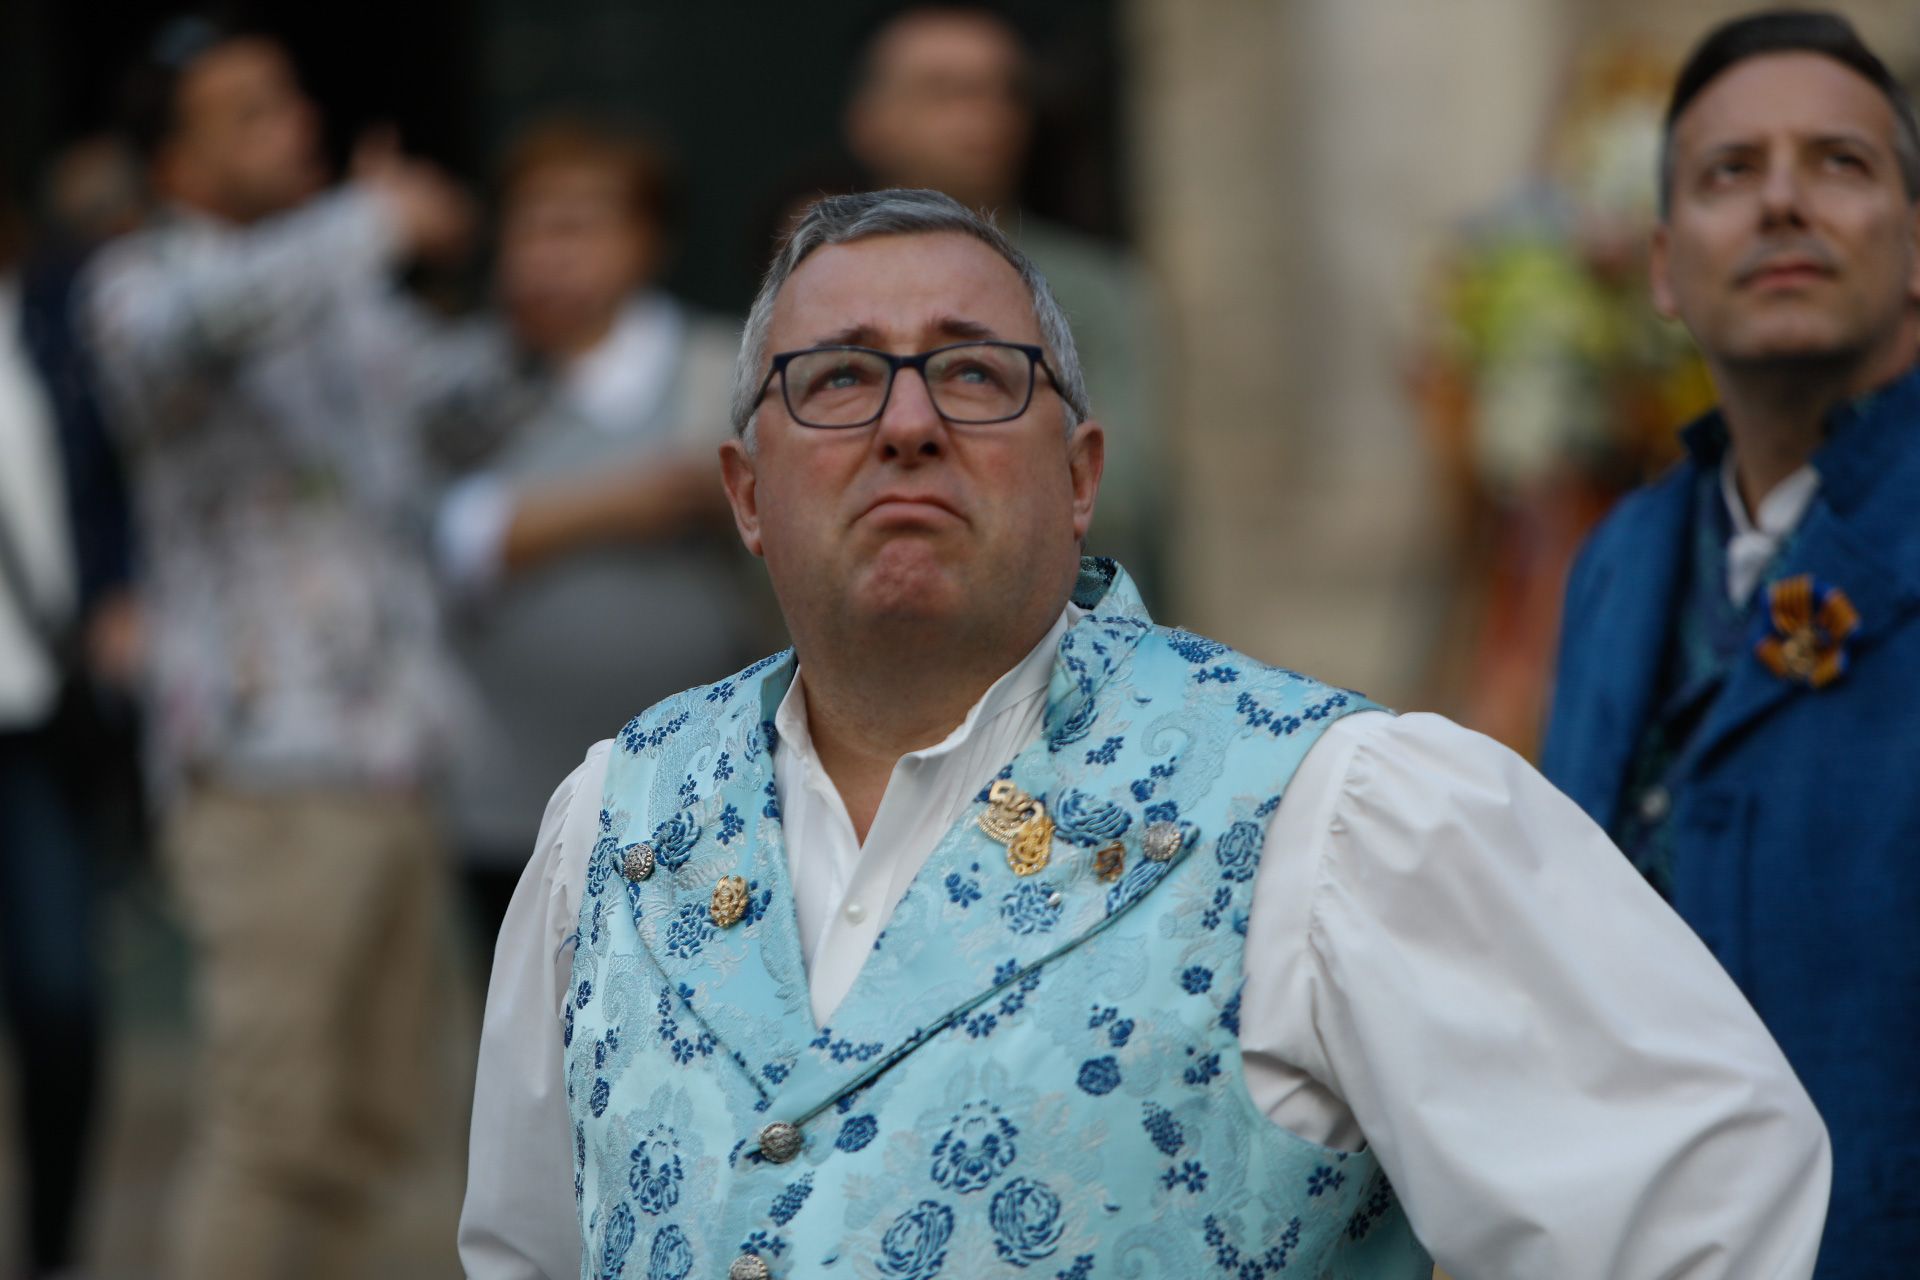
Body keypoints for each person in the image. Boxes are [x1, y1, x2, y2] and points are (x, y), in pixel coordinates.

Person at [461, 187, 1829, 1280]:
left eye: (978, 373)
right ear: (746, 493)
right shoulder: (615, 830)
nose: (910, 421)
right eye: (835, 380)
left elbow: (1706, 1209)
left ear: (1082, 478)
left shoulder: (1325, 807)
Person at [83, 17, 476, 1277]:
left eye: (289, 98)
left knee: (389, 1128)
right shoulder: (135, 287)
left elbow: (443, 408)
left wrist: (544, 318)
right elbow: (201, 322)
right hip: (264, 772)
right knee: (273, 1129)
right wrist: (376, 222)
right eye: (249, 112)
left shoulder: (335, 282)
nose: (294, 124)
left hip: (395, 749)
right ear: (175, 166)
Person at [1542, 11, 1920, 1277]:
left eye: (1839, 163)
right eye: (1728, 173)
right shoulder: (1619, 560)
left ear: (1916, 242)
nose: (1780, 204)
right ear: (1662, 265)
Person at [431, 118, 761, 955]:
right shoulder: (464, 380)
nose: (546, 249)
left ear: (646, 240)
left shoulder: (722, 371)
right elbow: (440, 538)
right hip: (505, 803)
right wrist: (625, 503)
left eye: (576, 223)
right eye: (529, 222)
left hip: (703, 794)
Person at [845, 4, 1172, 609]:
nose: (983, 117)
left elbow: (1121, 488)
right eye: (944, 92)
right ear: (870, 120)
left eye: (1002, 93)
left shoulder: (1097, 290)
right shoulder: (822, 288)